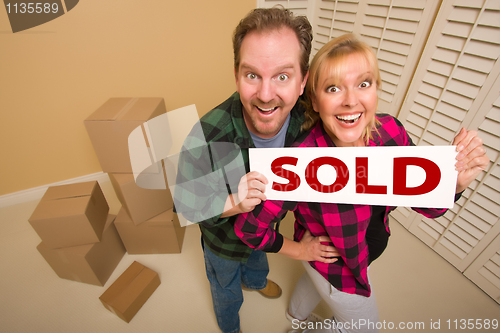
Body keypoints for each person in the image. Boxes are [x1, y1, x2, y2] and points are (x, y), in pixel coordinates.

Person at [234, 34, 489, 333]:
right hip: (337, 268)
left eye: (363, 84)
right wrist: (299, 251)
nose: (351, 100)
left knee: (313, 281)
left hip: (362, 252)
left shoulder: (391, 132)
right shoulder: (299, 162)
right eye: (333, 88)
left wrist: (454, 183)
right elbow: (248, 229)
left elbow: (430, 207)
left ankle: (295, 319)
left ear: (376, 90)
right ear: (315, 100)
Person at [174, 8, 337, 333]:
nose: (265, 95)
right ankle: (229, 325)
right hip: (223, 243)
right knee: (226, 287)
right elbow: (185, 206)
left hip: (266, 232)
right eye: (253, 75)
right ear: (237, 76)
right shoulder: (207, 134)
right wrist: (236, 201)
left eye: (282, 76)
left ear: (303, 81)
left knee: (257, 262)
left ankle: (257, 281)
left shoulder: (311, 118)